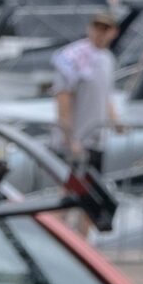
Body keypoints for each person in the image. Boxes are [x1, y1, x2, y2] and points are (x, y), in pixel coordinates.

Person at [53, 11, 121, 193]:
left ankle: (85, 222)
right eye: (96, 28)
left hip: (96, 139)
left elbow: (106, 95)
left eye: (105, 29)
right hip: (76, 140)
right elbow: (63, 96)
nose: (100, 33)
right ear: (89, 29)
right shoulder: (71, 56)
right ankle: (60, 222)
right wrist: (69, 138)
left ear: (113, 32)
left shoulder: (108, 58)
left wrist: (115, 120)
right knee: (67, 189)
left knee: (91, 191)